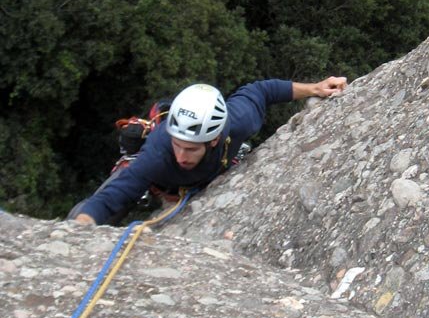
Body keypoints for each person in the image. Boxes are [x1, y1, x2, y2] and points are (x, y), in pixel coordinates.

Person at [69, 76, 347, 226]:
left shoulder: (236, 122)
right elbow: (112, 197)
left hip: (197, 179)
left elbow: (262, 91)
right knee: (109, 197)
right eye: (177, 144)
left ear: (214, 140)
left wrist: (314, 87)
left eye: (190, 149)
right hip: (158, 181)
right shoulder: (159, 151)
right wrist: (81, 225)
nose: (180, 155)